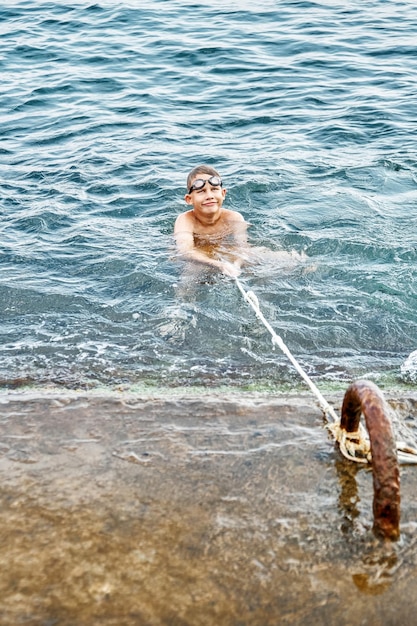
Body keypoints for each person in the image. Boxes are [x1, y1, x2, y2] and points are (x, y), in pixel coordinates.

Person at [174, 165, 248, 278]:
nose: (209, 196)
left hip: (224, 252)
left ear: (223, 194)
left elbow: (243, 248)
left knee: (280, 258)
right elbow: (186, 251)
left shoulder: (234, 218)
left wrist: (236, 265)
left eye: (214, 189)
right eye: (201, 191)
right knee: (190, 276)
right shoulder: (185, 220)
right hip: (199, 257)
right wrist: (219, 265)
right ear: (189, 199)